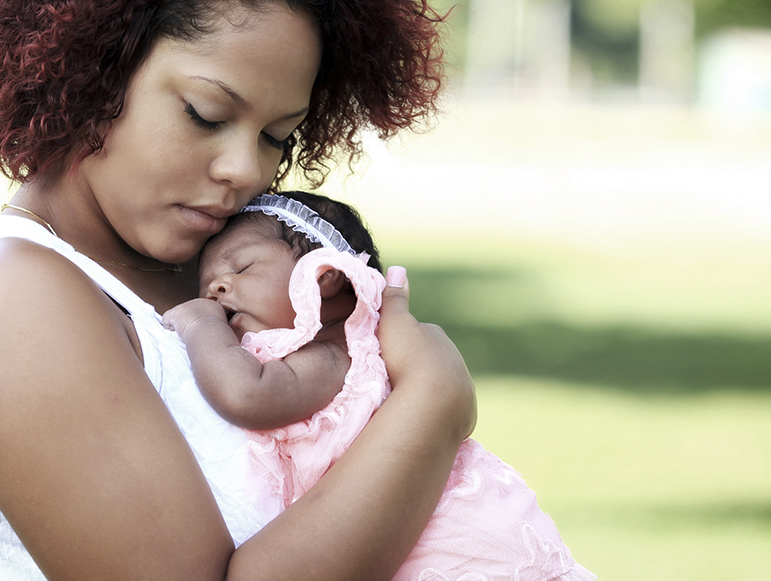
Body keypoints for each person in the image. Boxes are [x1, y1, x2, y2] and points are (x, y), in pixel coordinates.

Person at [0, 0, 476, 581]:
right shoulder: (15, 305)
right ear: (96, 66)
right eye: (205, 115)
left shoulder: (217, 273)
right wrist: (432, 411)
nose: (246, 170)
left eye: (280, 136)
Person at [165, 192, 596, 580]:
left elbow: (247, 394)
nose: (217, 288)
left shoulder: (339, 357)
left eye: (242, 267)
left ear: (323, 275)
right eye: (207, 288)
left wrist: (201, 323)